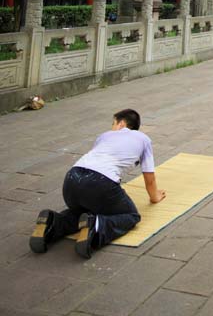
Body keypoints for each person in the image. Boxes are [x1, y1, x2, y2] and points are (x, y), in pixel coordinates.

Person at [29, 108, 165, 260]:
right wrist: (155, 197)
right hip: (100, 182)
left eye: (113, 123)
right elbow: (149, 177)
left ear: (121, 123)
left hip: (71, 179)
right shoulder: (143, 139)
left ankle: (52, 222)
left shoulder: (104, 136)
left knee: (84, 212)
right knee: (130, 216)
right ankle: (95, 225)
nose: (112, 127)